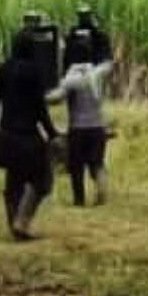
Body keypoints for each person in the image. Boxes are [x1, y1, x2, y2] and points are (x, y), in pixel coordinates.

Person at [0, 34, 59, 240]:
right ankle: (22, 219)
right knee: (42, 180)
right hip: (29, 134)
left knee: (14, 180)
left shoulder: (3, 69)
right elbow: (40, 108)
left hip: (8, 133)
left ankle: (13, 222)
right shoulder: (34, 72)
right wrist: (52, 132)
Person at [48, 60, 113, 207]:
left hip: (78, 128)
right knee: (97, 163)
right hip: (97, 127)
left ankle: (79, 199)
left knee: (76, 166)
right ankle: (101, 189)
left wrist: (41, 97)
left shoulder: (72, 76)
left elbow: (57, 97)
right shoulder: (97, 74)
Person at [63, 5, 113, 71]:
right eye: (82, 16)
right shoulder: (72, 36)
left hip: (94, 67)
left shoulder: (99, 36)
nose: (84, 18)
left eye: (86, 15)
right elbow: (67, 57)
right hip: (74, 69)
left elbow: (106, 58)